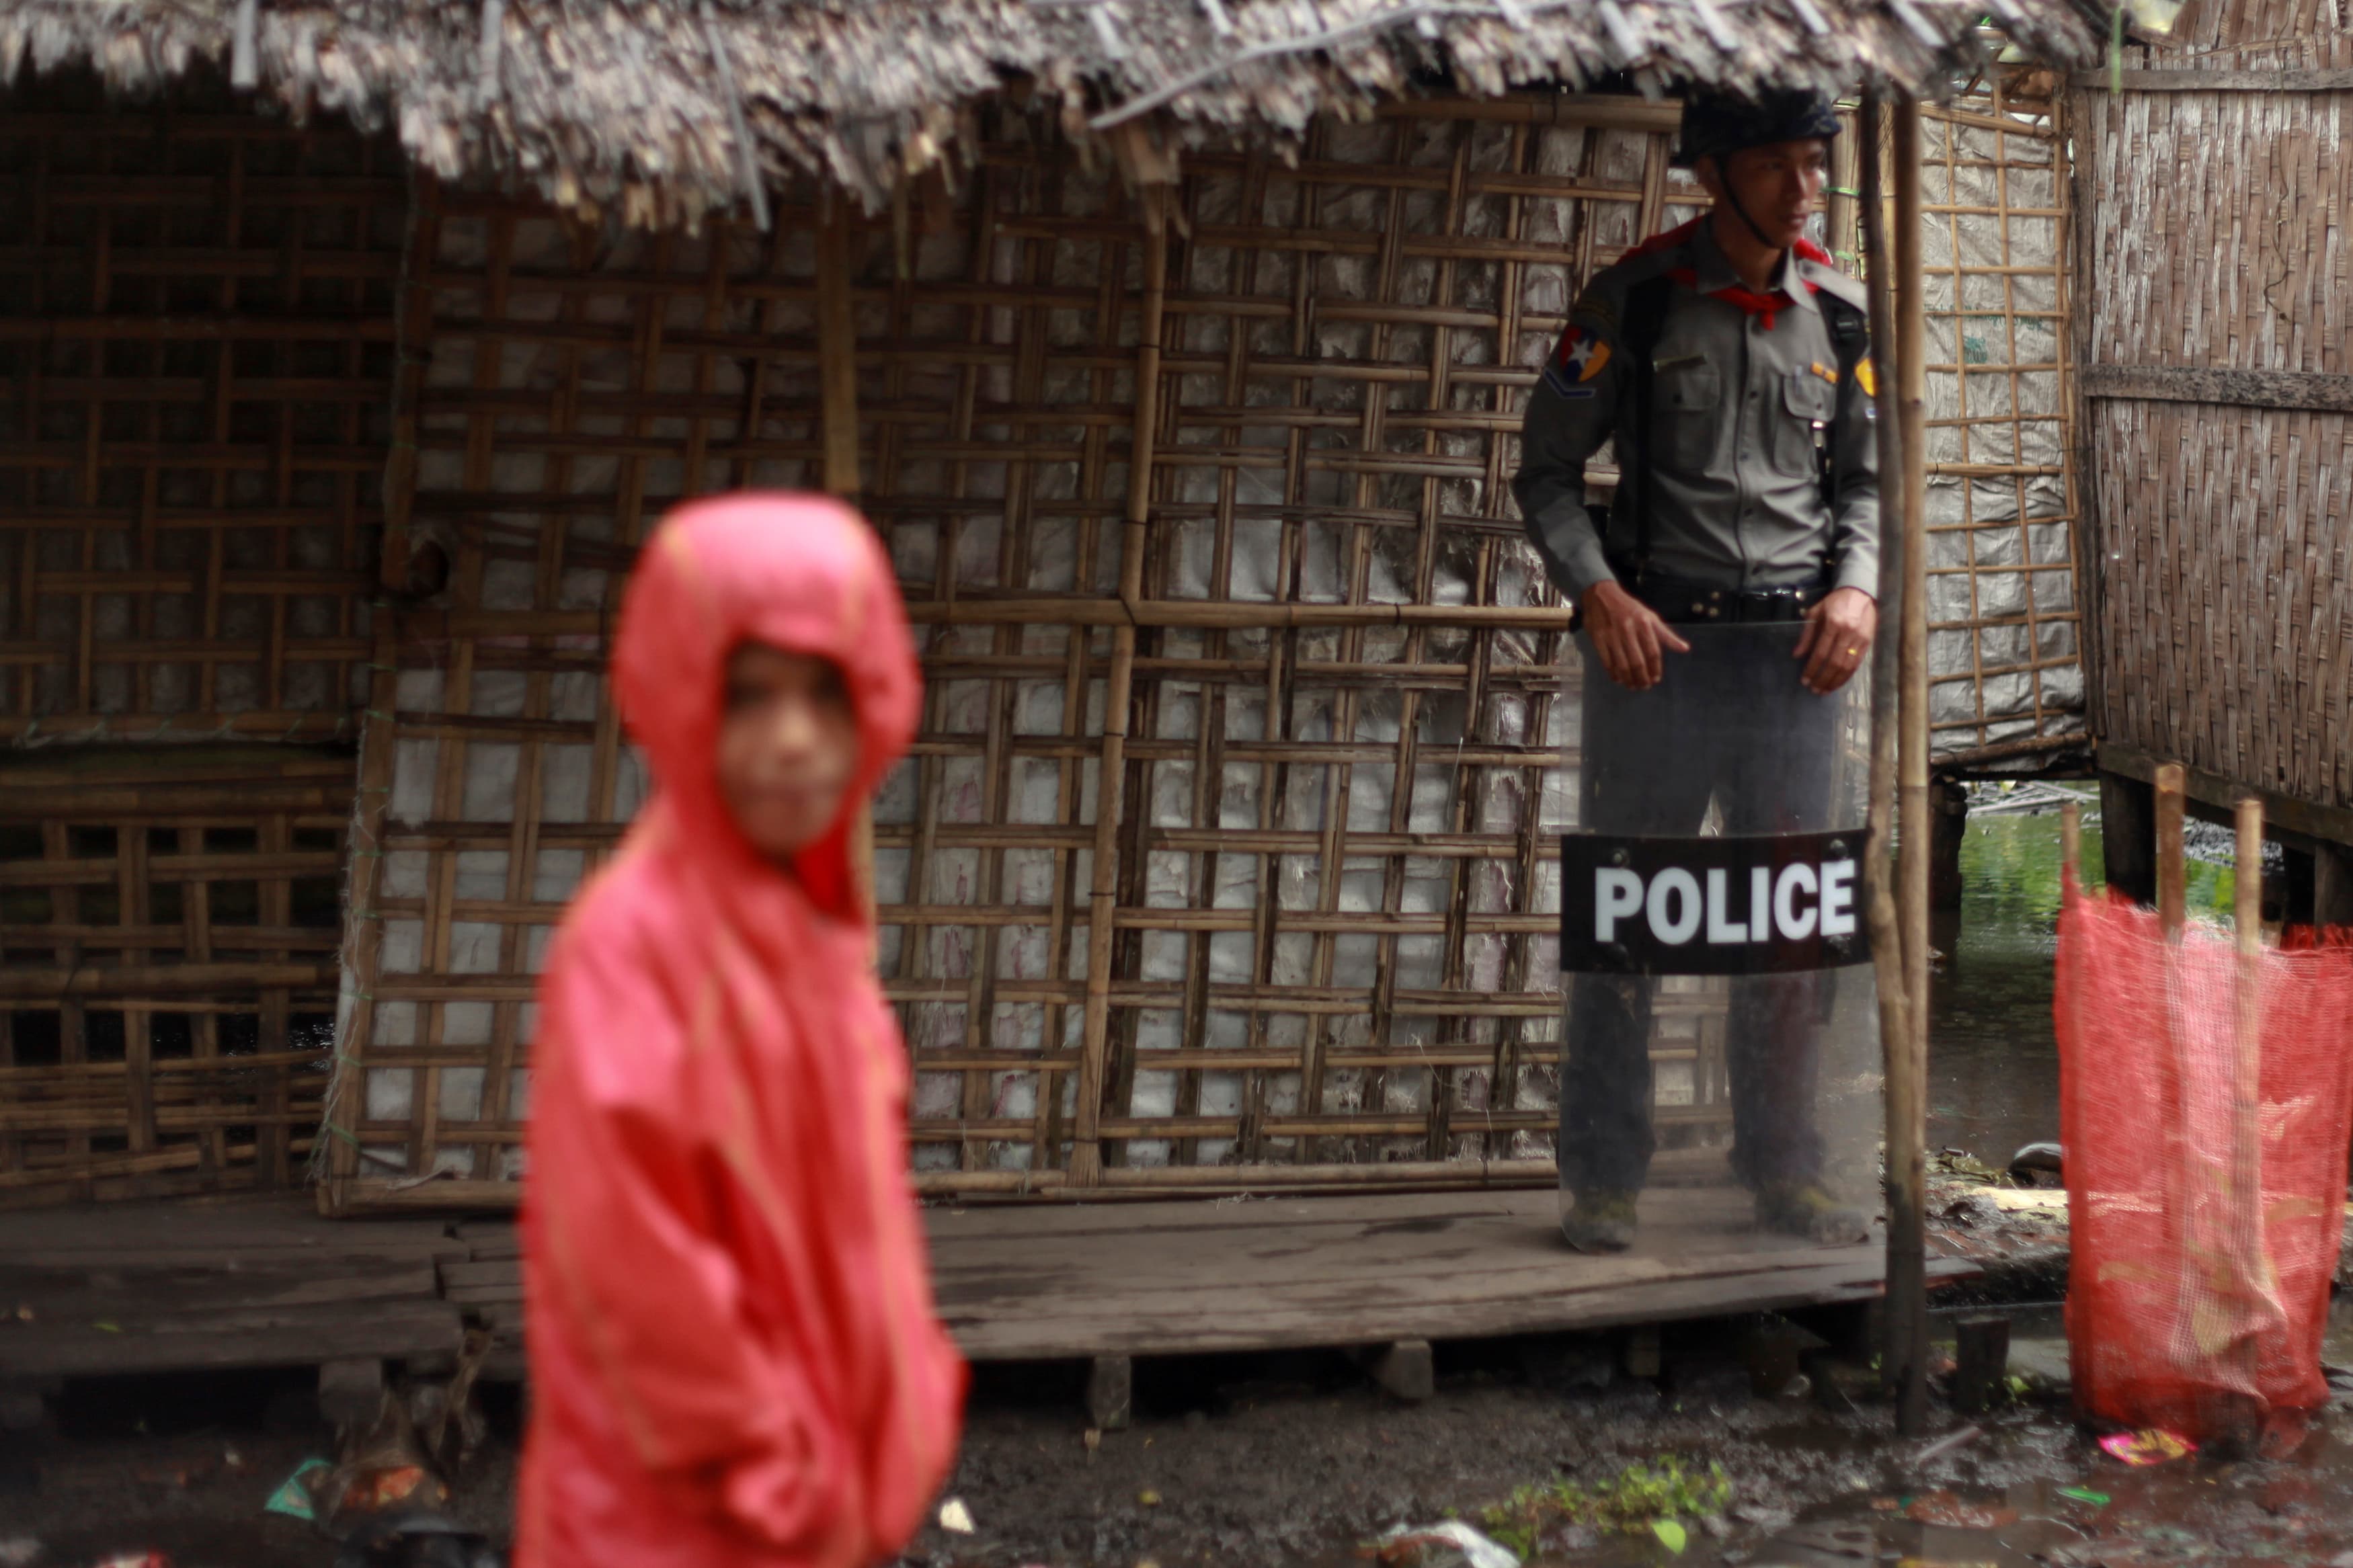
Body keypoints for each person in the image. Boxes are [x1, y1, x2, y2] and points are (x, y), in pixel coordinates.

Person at [514, 493, 967, 1567]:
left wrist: (907, 1399)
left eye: (826, 691)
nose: (794, 740)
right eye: (749, 696)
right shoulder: (634, 946)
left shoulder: (807, 936)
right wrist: (777, 1466)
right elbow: (636, 1270)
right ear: (679, 700)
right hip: (683, 1518)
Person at [1513, 88, 1880, 1253]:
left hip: (1794, 672)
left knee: (1790, 927)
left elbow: (1870, 486)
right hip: (1655, 664)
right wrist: (1598, 593)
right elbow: (1546, 476)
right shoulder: (1632, 300)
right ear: (1711, 173)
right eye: (1773, 165)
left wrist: (1860, 586)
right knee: (1626, 921)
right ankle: (1606, 1177)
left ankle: (1785, 1168)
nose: (1802, 186)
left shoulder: (1844, 316)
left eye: (1811, 163)